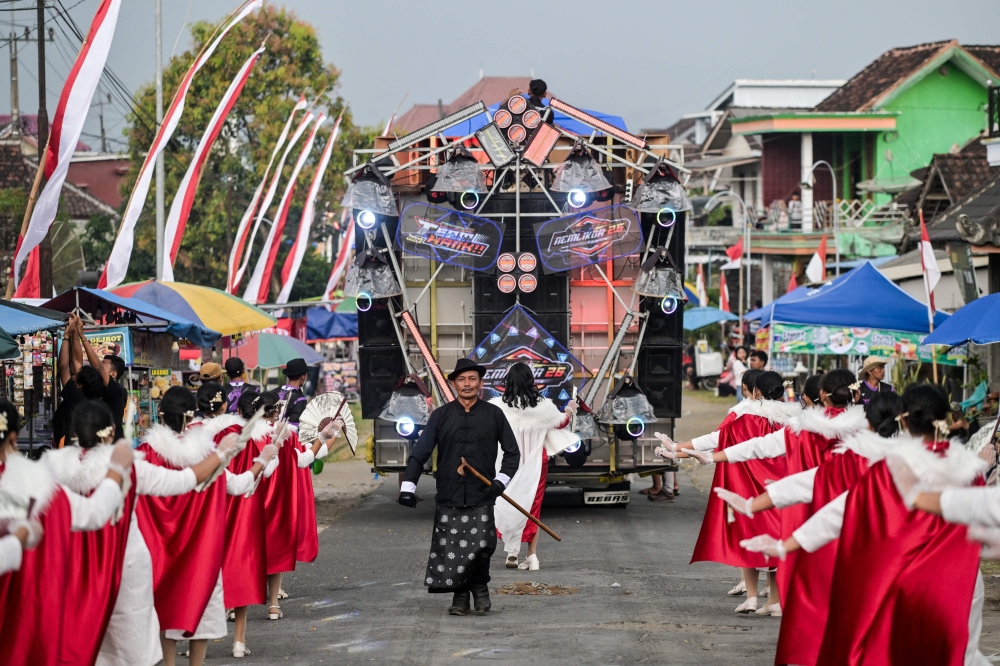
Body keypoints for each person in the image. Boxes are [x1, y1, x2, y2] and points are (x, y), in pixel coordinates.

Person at [734, 392, 902, 665]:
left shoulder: (850, 459)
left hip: (865, 562)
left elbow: (823, 501)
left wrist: (769, 527)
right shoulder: (947, 471)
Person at [97, 387, 241, 666]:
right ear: (191, 417)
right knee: (204, 605)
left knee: (164, 607)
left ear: (160, 414)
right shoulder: (209, 455)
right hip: (201, 549)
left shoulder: (145, 454)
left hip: (158, 549)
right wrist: (259, 462)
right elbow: (238, 485)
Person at [0, 398, 131, 666]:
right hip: (23, 620)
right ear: (14, 436)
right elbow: (94, 513)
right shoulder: (39, 488)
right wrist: (116, 471)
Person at [656, 370, 793, 614]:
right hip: (782, 486)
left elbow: (717, 440)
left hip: (747, 484)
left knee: (747, 537)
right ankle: (774, 601)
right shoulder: (793, 420)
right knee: (776, 541)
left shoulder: (743, 417)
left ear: (755, 391)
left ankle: (751, 596)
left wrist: (678, 448)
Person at [399, 358, 520, 615]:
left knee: (483, 546)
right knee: (452, 549)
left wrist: (501, 482)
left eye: (472, 379)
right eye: (462, 379)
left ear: (480, 383)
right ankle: (460, 597)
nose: (467, 384)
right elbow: (420, 453)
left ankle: (480, 589)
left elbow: (512, 453)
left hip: (483, 494)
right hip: (449, 494)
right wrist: (408, 486)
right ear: (453, 384)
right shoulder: (441, 416)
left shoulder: (494, 414)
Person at [169, 383, 277, 662]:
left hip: (194, 515)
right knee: (239, 568)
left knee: (189, 577)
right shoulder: (240, 432)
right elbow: (250, 477)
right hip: (235, 506)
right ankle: (239, 640)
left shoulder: (185, 436)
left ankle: (184, 634)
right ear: (224, 406)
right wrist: (267, 458)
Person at [488, 362, 577, 570]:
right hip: (536, 466)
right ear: (531, 381)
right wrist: (570, 409)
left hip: (504, 466)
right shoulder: (544, 407)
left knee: (506, 504)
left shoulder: (496, 407)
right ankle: (532, 556)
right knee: (532, 508)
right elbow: (561, 422)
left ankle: (511, 551)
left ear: (507, 381)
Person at [54, 314, 106, 448]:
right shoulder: (94, 397)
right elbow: (77, 361)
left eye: (75, 377)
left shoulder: (75, 397)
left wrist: (66, 336)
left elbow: (63, 367)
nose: (73, 375)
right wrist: (76, 332)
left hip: (67, 450)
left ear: (79, 385)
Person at [277, 357, 311, 427]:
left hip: (269, 435)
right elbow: (294, 427)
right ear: (303, 377)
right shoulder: (300, 399)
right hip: (286, 436)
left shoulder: (274, 391)